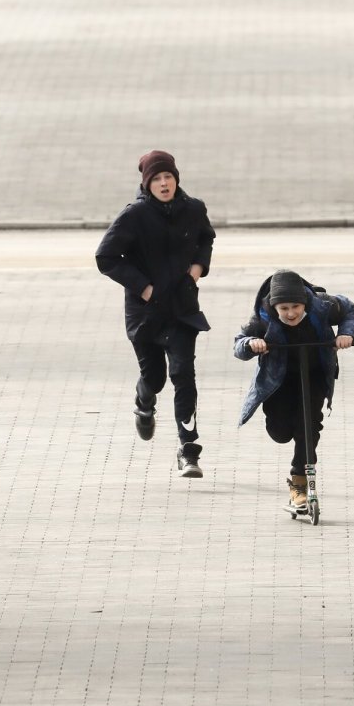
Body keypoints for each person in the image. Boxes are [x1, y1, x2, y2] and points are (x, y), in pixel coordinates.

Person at [95, 149, 215, 478]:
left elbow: (206, 237)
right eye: (157, 179)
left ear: (177, 179)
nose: (164, 184)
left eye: (169, 177)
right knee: (156, 379)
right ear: (147, 184)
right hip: (146, 312)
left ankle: (188, 451)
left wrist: (197, 268)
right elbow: (106, 256)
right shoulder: (134, 215)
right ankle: (144, 403)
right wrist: (142, 287)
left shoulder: (194, 209)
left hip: (181, 308)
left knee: (183, 375)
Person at [233, 270, 354, 509]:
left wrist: (346, 333)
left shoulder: (323, 306)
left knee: (309, 426)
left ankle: (300, 485)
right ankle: (291, 434)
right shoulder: (262, 317)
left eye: (296, 306)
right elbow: (239, 344)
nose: (291, 313)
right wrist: (252, 344)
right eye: (284, 308)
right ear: (274, 307)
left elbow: (350, 310)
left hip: (314, 376)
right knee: (280, 432)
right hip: (278, 381)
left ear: (305, 303)